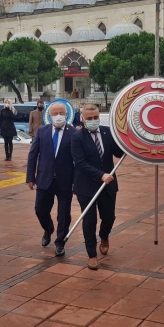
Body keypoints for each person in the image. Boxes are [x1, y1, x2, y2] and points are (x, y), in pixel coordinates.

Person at [71, 104, 124, 270]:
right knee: (89, 220)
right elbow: (80, 163)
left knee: (109, 217)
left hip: (108, 185)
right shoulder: (77, 137)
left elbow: (118, 153)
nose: (93, 121)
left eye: (95, 118)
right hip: (86, 185)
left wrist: (127, 142)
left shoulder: (108, 132)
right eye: (89, 118)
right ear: (83, 119)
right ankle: (92, 254)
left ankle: (104, 236)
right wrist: (100, 175)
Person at [26, 102, 75, 257]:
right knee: (40, 209)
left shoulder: (73, 133)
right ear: (50, 115)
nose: (58, 116)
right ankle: (48, 229)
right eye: (55, 113)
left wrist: (77, 181)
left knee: (64, 214)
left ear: (67, 115)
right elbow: (33, 155)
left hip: (65, 180)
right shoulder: (42, 131)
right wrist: (30, 177)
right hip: (44, 178)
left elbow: (78, 160)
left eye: (62, 113)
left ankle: (60, 242)